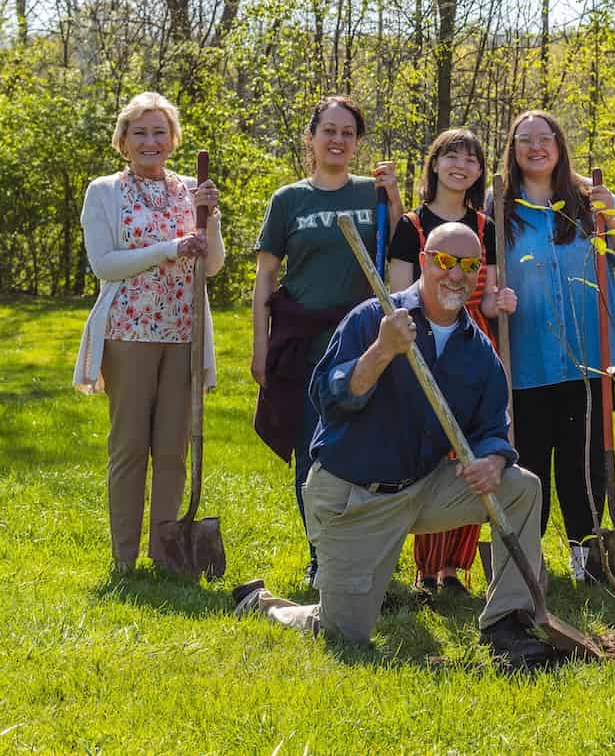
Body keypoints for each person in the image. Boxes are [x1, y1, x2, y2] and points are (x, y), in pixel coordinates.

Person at [231, 222, 557, 668]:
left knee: (522, 487)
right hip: (354, 496)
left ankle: (507, 623)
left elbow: (493, 426)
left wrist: (495, 461)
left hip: (420, 489)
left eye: (468, 265)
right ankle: (266, 604)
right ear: (424, 262)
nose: (455, 274)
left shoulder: (478, 351)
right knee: (342, 633)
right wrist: (382, 351)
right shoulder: (373, 319)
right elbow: (330, 400)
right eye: (445, 261)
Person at [75, 91, 225, 574]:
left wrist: (212, 221)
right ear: (123, 141)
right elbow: (105, 264)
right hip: (129, 332)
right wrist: (171, 248)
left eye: (159, 131)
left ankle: (165, 555)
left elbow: (213, 266)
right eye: (139, 132)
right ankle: (124, 559)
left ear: (173, 139)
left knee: (172, 449)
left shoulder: (189, 191)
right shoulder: (104, 192)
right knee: (130, 446)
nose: (150, 141)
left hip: (185, 332)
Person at [251, 96, 399, 583]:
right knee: (311, 451)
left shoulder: (373, 193)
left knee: (366, 447)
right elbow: (266, 276)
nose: (338, 140)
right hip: (303, 345)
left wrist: (394, 199)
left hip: (361, 341)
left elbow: (401, 251)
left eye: (348, 133)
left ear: (358, 142)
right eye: (329, 130)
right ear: (311, 137)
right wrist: (259, 348)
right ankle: (321, 555)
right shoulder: (288, 200)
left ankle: (365, 553)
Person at [493, 109, 615, 583]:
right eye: (524, 141)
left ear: (559, 145)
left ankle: (588, 558)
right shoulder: (502, 210)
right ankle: (528, 561)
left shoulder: (587, 201)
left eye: (545, 139)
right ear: (513, 152)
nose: (536, 148)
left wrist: (610, 209)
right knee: (531, 464)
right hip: (528, 358)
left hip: (586, 360)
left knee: (583, 465)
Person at [386, 128, 501, 593]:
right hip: (425, 338)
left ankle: (456, 566)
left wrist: (499, 302)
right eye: (452, 155)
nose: (461, 165)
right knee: (432, 447)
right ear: (434, 163)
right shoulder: (409, 226)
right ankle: (425, 569)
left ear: (478, 172)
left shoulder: (485, 226)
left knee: (472, 448)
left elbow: (487, 295)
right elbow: (399, 293)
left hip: (475, 339)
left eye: (471, 159)